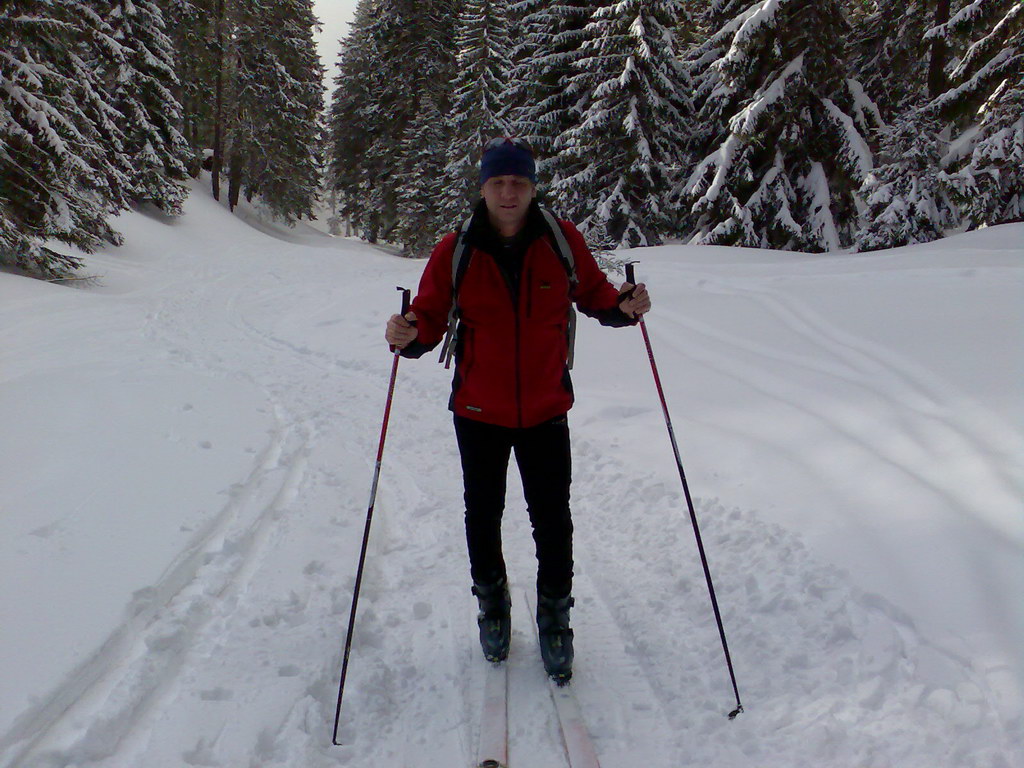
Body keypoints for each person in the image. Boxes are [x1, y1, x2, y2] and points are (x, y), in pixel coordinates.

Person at [385, 137, 651, 683]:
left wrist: (624, 307)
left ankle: (555, 619)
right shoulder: (454, 249)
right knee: (482, 514)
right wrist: (406, 334)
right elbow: (429, 320)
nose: (509, 192)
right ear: (483, 187)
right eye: (499, 182)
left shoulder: (559, 238)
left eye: (519, 183)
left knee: (552, 518)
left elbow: (595, 294)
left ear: (532, 187)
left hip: (546, 407)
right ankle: (493, 607)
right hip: (478, 410)